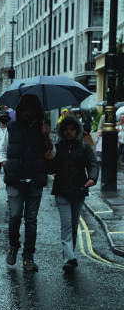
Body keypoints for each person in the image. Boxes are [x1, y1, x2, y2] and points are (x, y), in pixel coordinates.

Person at [0, 94, 54, 272]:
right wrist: (5, 164)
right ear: (21, 110)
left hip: (35, 180)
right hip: (15, 180)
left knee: (31, 221)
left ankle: (28, 256)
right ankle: (13, 246)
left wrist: (46, 138)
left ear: (36, 111)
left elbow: (51, 156)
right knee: (15, 216)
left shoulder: (43, 129)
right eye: (25, 109)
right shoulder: (12, 127)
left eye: (32, 109)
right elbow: (2, 149)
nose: (28, 113)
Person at [48, 115, 99, 271]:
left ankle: (70, 255)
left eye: (72, 129)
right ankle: (69, 258)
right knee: (66, 226)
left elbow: (93, 165)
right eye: (66, 129)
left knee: (74, 224)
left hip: (79, 190)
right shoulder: (57, 147)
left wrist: (92, 179)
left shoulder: (84, 147)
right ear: (62, 131)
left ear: (77, 130)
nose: (69, 132)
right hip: (61, 191)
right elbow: (51, 169)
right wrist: (48, 156)